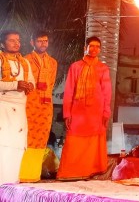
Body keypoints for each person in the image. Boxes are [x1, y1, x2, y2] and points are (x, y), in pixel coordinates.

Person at [56, 36, 112, 181]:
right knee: (74, 141)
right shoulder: (75, 66)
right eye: (91, 46)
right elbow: (69, 91)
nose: (94, 49)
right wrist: (67, 113)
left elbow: (107, 92)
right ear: (85, 48)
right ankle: (70, 172)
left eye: (97, 47)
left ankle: (91, 171)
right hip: (78, 112)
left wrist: (106, 112)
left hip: (96, 112)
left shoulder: (103, 68)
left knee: (94, 142)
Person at [19, 30, 58, 182]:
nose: (43, 44)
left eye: (45, 41)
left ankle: (33, 174)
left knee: (41, 139)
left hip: (46, 106)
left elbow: (51, 84)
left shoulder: (53, 62)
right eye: (40, 41)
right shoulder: (25, 60)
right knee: (27, 137)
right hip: (29, 104)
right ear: (32, 43)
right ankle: (22, 174)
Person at [0, 30, 35, 184]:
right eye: (11, 40)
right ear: (2, 44)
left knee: (17, 146)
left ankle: (12, 184)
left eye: (18, 40)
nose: (16, 43)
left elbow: (31, 81)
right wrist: (15, 85)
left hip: (20, 108)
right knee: (3, 146)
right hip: (3, 106)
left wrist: (29, 85)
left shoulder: (24, 62)